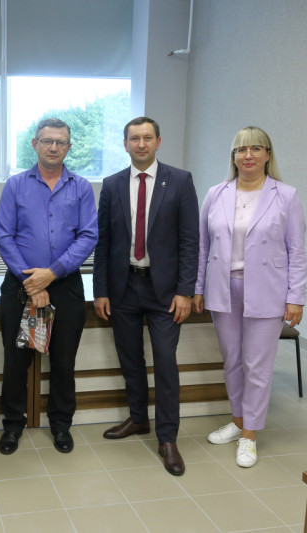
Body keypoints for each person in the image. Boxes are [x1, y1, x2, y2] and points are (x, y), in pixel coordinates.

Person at [193, 126, 307, 468]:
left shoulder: (285, 196)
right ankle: (237, 420)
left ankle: (250, 434)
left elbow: (297, 251)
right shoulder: (216, 194)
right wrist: (198, 288)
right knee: (232, 361)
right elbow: (202, 247)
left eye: (256, 148)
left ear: (268, 155)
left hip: (267, 290)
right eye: (241, 149)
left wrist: (296, 296)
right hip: (223, 288)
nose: (248, 155)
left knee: (257, 365)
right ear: (233, 156)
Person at [93, 117, 199, 476]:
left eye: (147, 138)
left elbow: (190, 241)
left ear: (158, 142)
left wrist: (186, 291)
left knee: (165, 363)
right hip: (123, 288)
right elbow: (103, 242)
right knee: (130, 359)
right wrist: (101, 290)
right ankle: (138, 418)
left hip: (165, 292)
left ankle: (167, 437)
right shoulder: (112, 185)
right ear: (125, 144)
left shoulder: (180, 181)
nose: (141, 144)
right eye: (134, 138)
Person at [0, 118, 98, 455]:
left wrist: (51, 274)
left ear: (68, 147)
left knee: (64, 361)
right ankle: (13, 424)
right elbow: (4, 236)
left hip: (66, 285)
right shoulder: (15, 185)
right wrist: (32, 282)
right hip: (20, 285)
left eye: (60, 142)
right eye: (47, 141)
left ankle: (61, 424)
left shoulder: (81, 188)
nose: (53, 147)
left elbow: (88, 236)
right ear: (35, 144)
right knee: (15, 362)